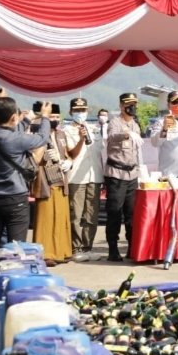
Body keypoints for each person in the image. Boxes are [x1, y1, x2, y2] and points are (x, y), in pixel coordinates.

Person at [0, 97, 52, 286]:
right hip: (15, 198)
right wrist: (44, 117)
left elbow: (4, 131)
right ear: (14, 117)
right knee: (16, 248)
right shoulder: (16, 139)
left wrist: (25, 120)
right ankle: (12, 289)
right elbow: (42, 138)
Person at [103, 92, 142, 261]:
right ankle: (113, 248)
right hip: (116, 175)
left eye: (134, 104)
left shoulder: (136, 124)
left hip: (132, 173)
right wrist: (126, 134)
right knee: (114, 213)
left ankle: (132, 247)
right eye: (128, 104)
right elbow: (110, 138)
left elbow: (137, 150)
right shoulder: (115, 122)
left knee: (131, 214)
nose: (132, 107)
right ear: (121, 106)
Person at [32, 108, 74, 267]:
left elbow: (68, 154)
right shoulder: (37, 135)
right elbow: (31, 157)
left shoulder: (61, 134)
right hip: (45, 180)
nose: (55, 119)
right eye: (51, 116)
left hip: (61, 179)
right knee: (46, 218)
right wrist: (43, 157)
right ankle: (45, 254)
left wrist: (68, 162)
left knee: (61, 216)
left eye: (57, 116)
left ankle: (63, 252)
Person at [65, 97, 105, 261]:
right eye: (77, 110)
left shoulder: (94, 128)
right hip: (76, 177)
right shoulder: (66, 130)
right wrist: (81, 138)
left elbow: (100, 152)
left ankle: (88, 247)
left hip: (94, 175)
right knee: (76, 214)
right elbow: (71, 153)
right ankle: (76, 248)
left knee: (91, 215)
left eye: (83, 110)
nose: (80, 113)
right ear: (70, 112)